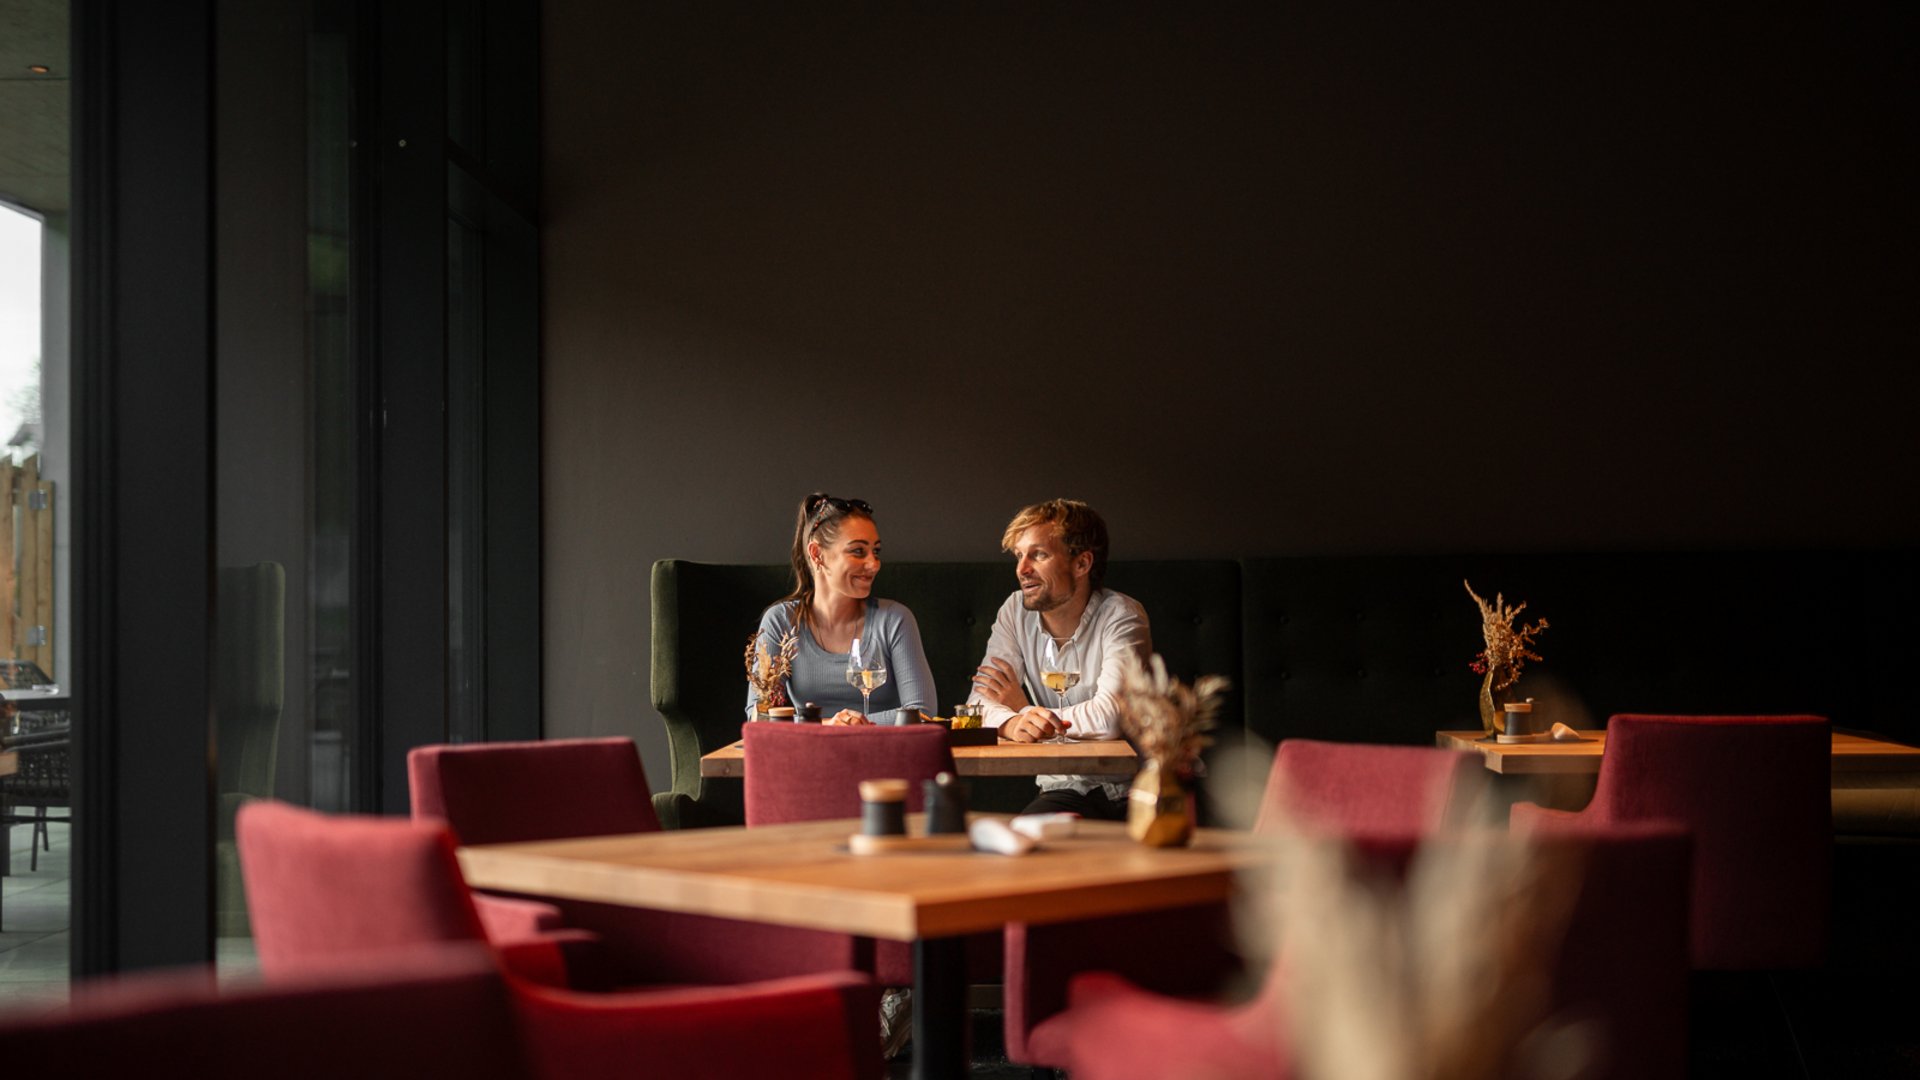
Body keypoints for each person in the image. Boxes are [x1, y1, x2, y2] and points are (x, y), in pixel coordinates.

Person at [968, 499, 1150, 819]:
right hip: (1065, 788)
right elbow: (976, 707)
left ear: (1082, 564)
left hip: (1139, 788)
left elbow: (1108, 718)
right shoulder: (1014, 611)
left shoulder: (1122, 615)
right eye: (1019, 555)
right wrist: (1012, 722)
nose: (1022, 569)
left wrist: (1025, 710)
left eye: (1038, 555)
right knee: (1019, 842)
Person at [746, 493, 936, 726]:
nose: (874, 564)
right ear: (817, 554)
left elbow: (922, 713)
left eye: (875, 551)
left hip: (883, 748)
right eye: (858, 551)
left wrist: (845, 726)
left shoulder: (895, 620)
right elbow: (760, 717)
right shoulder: (781, 621)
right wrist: (830, 726)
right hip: (809, 749)